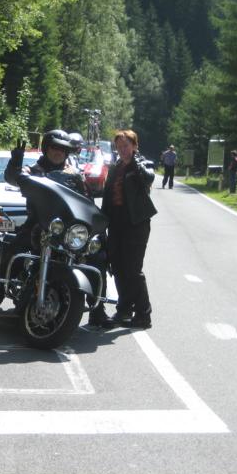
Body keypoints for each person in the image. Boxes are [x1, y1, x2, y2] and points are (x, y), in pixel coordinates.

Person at [0, 129, 93, 327]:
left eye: (62, 149)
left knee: (95, 256)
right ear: (46, 148)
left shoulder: (74, 175)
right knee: (12, 259)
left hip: (65, 230)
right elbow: (14, 178)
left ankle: (98, 311)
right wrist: (15, 163)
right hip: (37, 225)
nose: (58, 152)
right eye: (54, 147)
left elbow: (87, 201)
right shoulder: (34, 170)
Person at [101, 130, 157, 329]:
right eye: (119, 146)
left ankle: (143, 314)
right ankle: (124, 309)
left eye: (126, 145)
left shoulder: (141, 164)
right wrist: (102, 221)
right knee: (117, 267)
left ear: (134, 146)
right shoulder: (115, 167)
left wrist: (137, 164)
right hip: (116, 222)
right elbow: (107, 195)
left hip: (136, 223)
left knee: (132, 269)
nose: (122, 150)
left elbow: (149, 178)